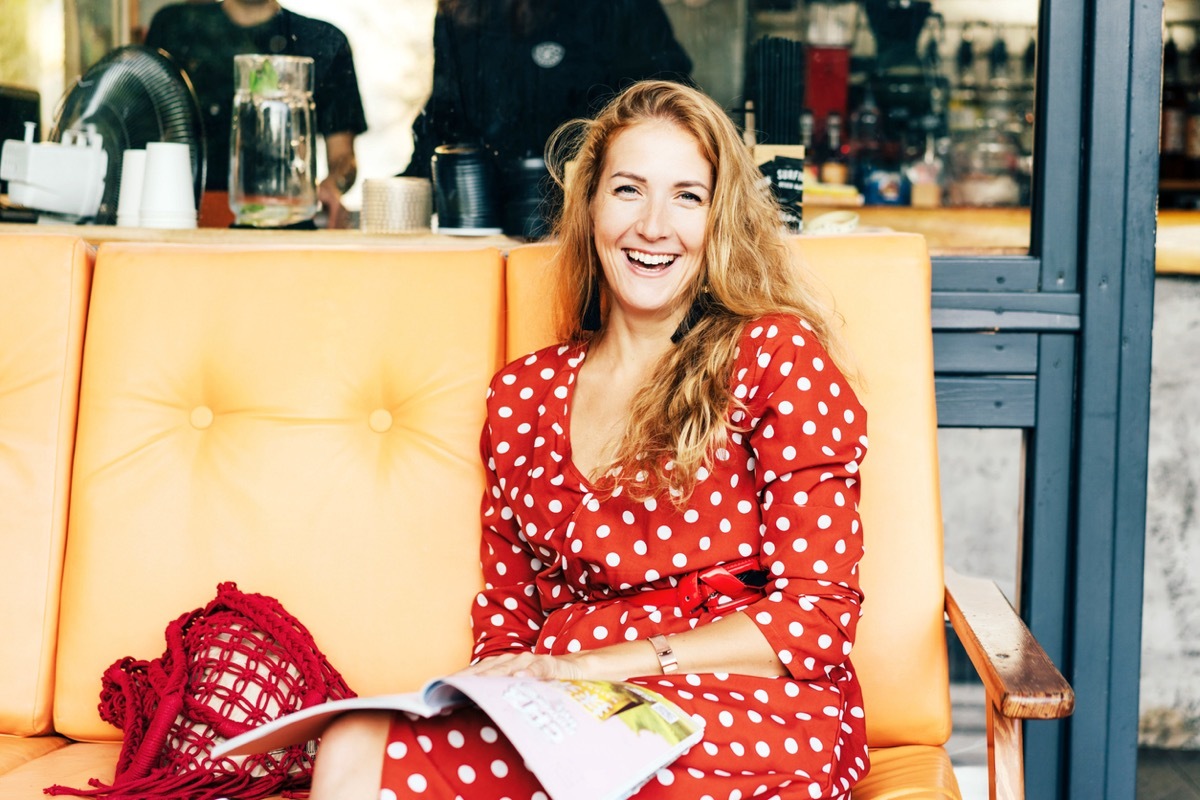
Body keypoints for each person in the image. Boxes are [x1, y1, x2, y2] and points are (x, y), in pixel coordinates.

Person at [310, 80, 870, 799]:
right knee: (356, 743)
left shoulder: (772, 357)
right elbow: (509, 618)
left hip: (740, 708)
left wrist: (590, 669)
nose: (654, 226)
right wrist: (501, 689)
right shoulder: (523, 398)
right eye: (629, 190)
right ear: (591, 206)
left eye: (687, 197)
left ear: (720, 219)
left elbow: (816, 620)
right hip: (570, 712)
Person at [403, 0, 692, 237]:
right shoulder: (463, 11)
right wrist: (402, 196)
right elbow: (445, 116)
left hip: (593, 234)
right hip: (486, 234)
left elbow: (667, 109)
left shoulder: (619, 9)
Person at [144, 0, 367, 227]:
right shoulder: (174, 28)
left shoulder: (323, 40)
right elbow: (144, 134)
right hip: (182, 219)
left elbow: (343, 157)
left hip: (285, 219)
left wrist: (333, 185)